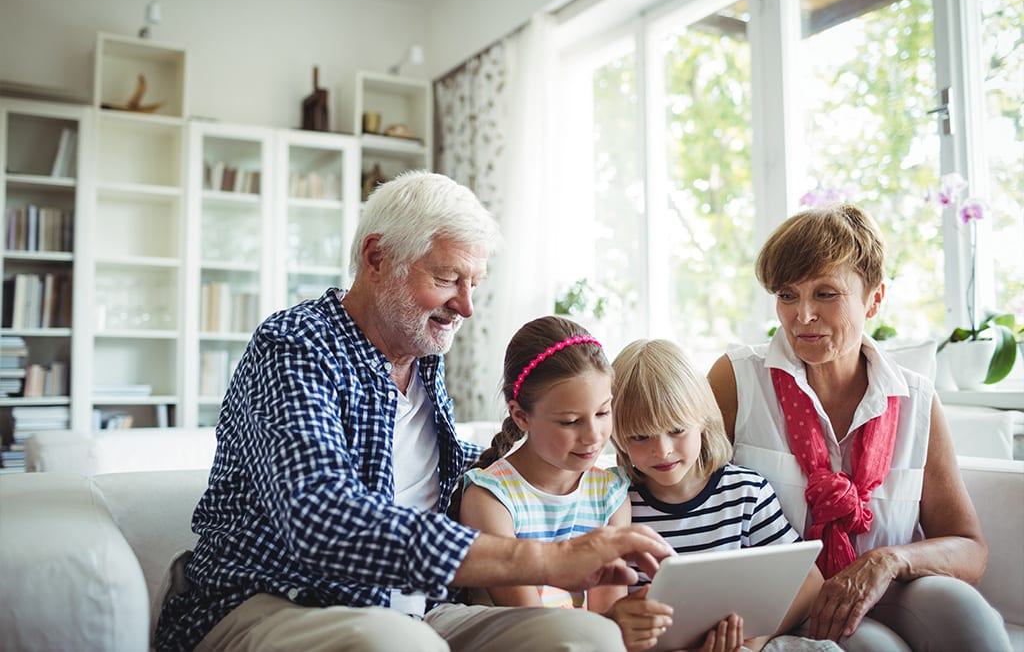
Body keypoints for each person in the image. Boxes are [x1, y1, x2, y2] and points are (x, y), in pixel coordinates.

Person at [154, 171, 673, 652]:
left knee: (584, 636)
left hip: (416, 609)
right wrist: (552, 561)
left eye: (475, 284)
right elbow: (324, 522)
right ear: (376, 259)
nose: (466, 306)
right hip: (276, 601)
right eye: (448, 278)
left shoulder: (421, 360)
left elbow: (443, 472)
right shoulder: (295, 346)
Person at [705, 203, 1011, 652]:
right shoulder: (736, 379)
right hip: (782, 604)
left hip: (891, 589)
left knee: (964, 611)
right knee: (876, 648)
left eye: (826, 294)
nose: (802, 315)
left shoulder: (917, 399)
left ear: (875, 298)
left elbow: (969, 548)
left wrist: (888, 561)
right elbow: (680, 494)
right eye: (788, 295)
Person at [458, 315, 672, 652]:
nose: (593, 436)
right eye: (570, 421)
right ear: (520, 416)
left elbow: (605, 617)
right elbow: (534, 624)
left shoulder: (610, 493)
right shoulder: (490, 499)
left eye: (603, 413)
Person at [608, 338, 829, 652]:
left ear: (702, 420)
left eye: (676, 430)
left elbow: (811, 583)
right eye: (640, 436)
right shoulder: (615, 503)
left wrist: (754, 640)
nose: (663, 450)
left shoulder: (745, 493)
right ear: (618, 438)